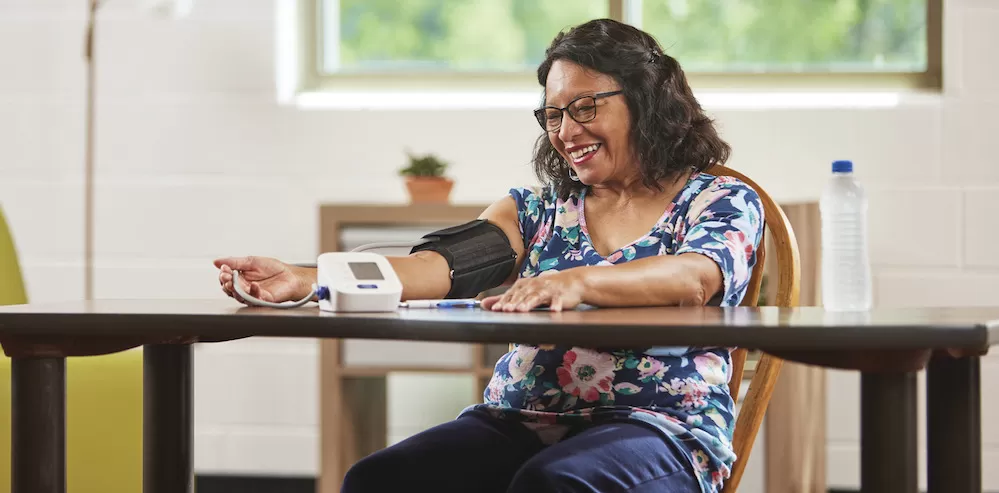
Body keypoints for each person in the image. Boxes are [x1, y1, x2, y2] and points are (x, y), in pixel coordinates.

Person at [216, 18, 763, 493]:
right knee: (379, 481)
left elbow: (694, 276)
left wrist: (575, 282)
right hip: (518, 419)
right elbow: (439, 268)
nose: (566, 132)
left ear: (646, 100)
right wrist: (308, 279)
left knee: (555, 483)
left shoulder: (719, 200)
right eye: (552, 116)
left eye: (585, 107)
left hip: (660, 429)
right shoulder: (534, 209)